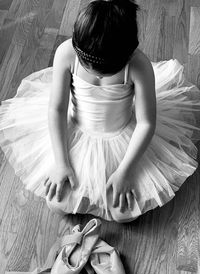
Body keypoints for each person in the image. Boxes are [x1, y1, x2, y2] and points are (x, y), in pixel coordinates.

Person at [0, 0, 200, 222]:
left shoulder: (139, 65)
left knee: (124, 215)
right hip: (77, 129)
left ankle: (119, 176)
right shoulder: (66, 53)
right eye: (90, 68)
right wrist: (61, 163)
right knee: (57, 203)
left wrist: (126, 171)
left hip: (123, 133)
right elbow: (57, 109)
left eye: (105, 73)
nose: (98, 76)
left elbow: (146, 123)